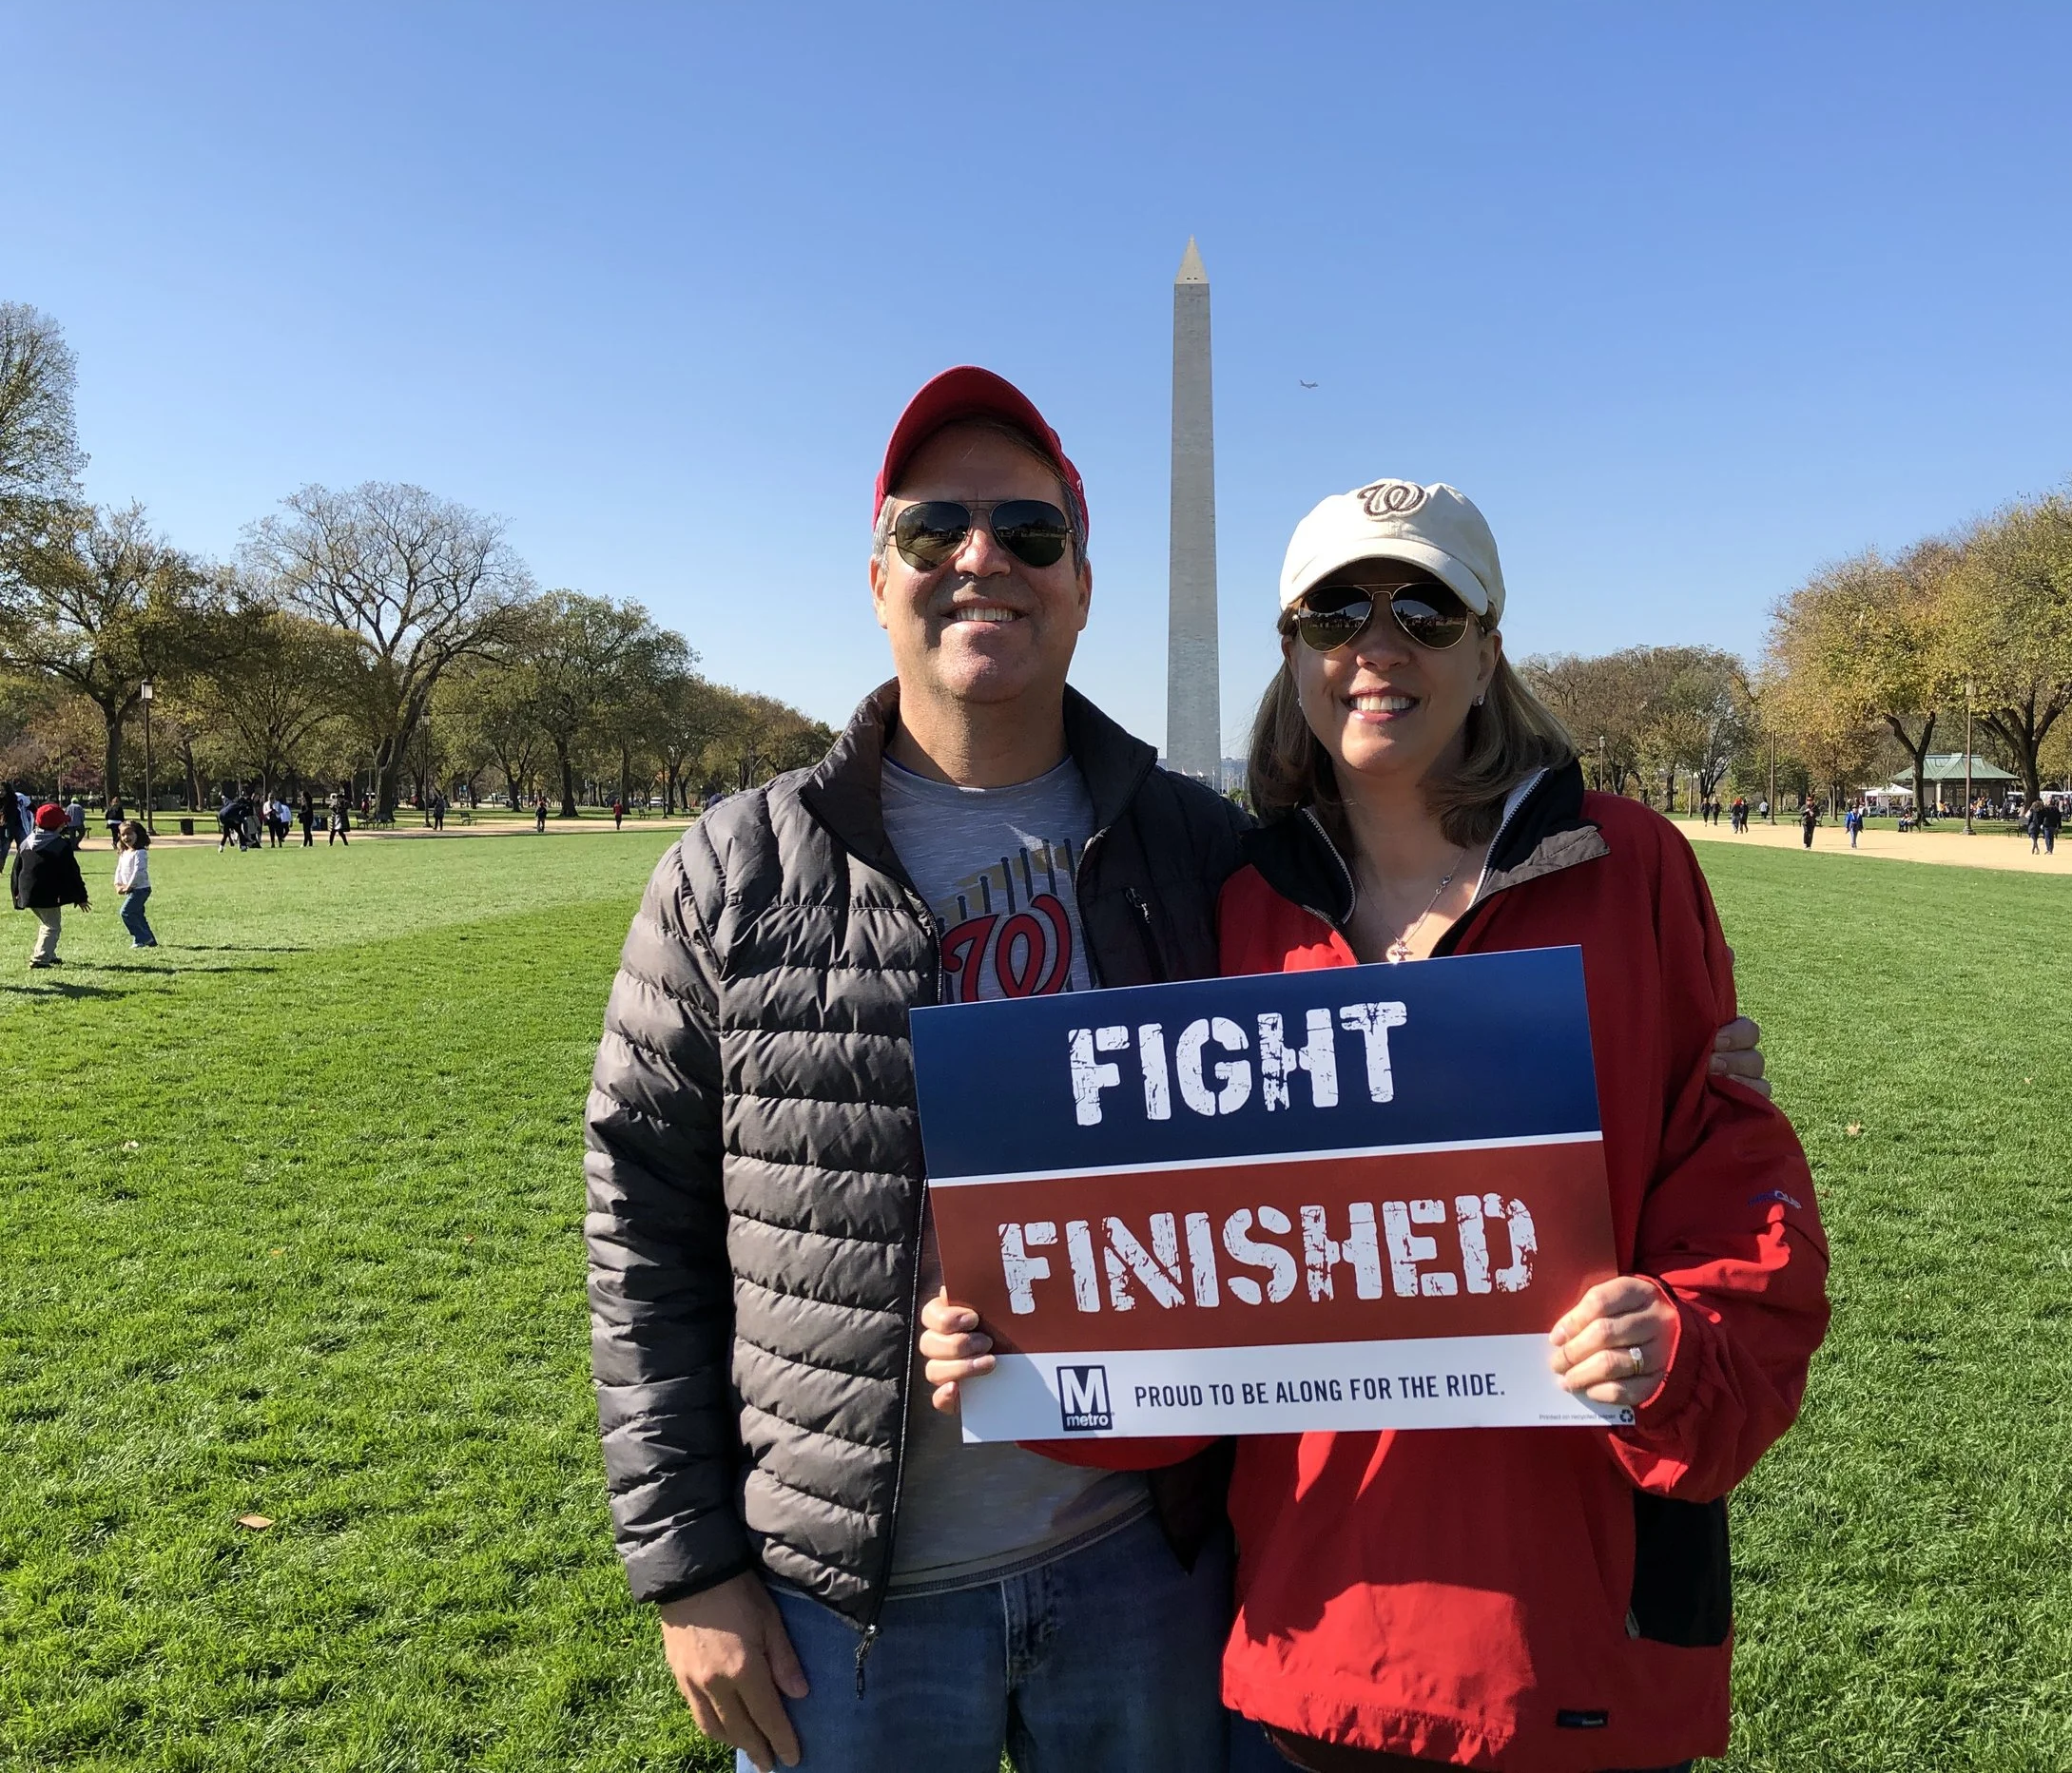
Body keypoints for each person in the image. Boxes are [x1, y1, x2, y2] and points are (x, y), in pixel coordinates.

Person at [583, 379, 1772, 1773]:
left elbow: (1335, 1154)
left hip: (1144, 1567)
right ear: (877, 572)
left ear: (1082, 581)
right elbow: (642, 1224)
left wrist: (1676, 1059)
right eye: (933, 527)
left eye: (1029, 529)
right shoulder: (738, 868)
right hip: (840, 1592)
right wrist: (687, 1562)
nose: (983, 559)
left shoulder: (1205, 858)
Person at [929, 477, 1824, 1773]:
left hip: (1574, 1643)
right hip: (1318, 1647)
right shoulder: (1237, 912)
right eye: (1335, 607)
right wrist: (1029, 1342)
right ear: (1291, 647)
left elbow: (1742, 1204)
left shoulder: (1632, 871)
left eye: (1427, 605)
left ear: (1490, 643)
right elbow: (1195, 1306)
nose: (1378, 641)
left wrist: (1675, 1344)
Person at [13, 802, 91, 968]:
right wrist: (81, 897)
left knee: (47, 922)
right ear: (59, 825)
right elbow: (72, 874)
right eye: (63, 822)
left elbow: (16, 870)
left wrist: (16, 893)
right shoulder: (60, 845)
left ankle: (49, 953)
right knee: (52, 926)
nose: (65, 824)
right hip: (47, 894)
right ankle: (40, 959)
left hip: (27, 893)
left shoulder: (26, 843)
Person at [113, 820, 158, 948]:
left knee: (125, 912)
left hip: (141, 889)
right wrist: (117, 884)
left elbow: (138, 871)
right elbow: (119, 870)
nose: (126, 837)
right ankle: (149, 940)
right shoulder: (124, 853)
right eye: (123, 835)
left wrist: (129, 886)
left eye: (130, 834)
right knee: (138, 915)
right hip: (131, 889)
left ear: (137, 834)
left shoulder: (140, 853)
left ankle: (142, 937)